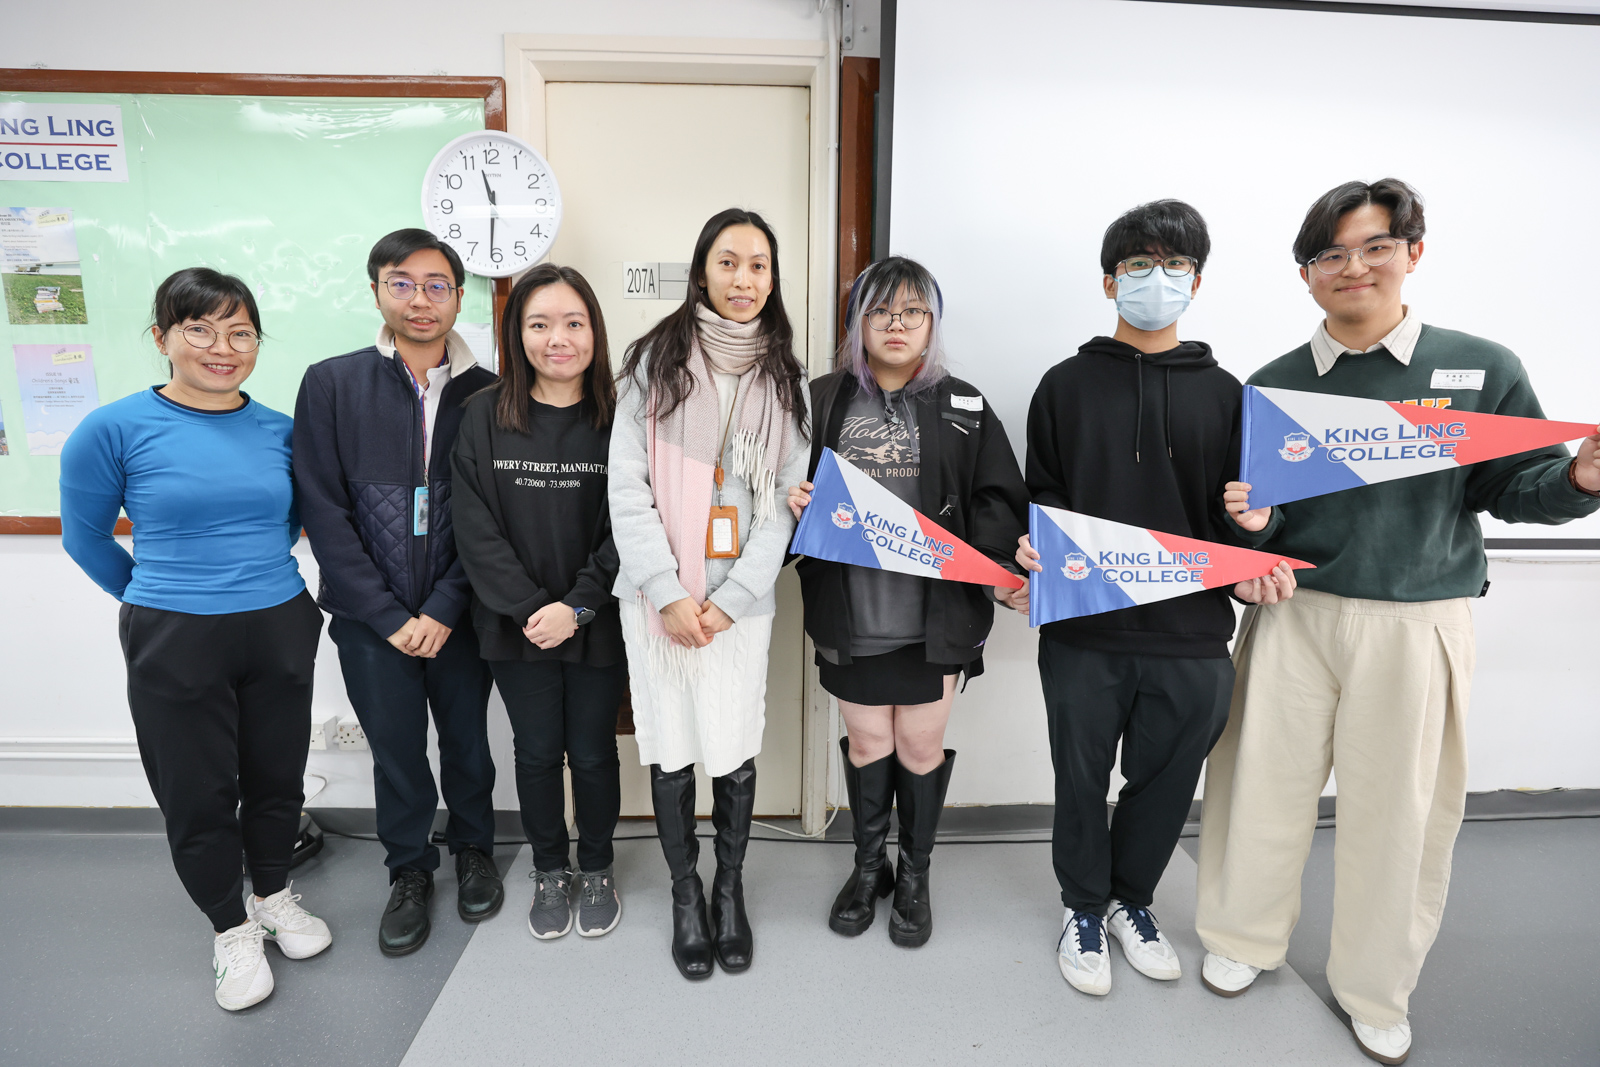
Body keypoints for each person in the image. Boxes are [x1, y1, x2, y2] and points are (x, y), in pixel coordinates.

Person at [1194, 179, 1600, 1065]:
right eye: (1330, 254)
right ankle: (1241, 935)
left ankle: (1376, 985)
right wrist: (1252, 531)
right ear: (1306, 274)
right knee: (1256, 784)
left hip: (1417, 621)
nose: (1354, 267)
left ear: (1413, 252)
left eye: (1375, 246)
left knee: (1401, 812)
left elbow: (1513, 488)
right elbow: (1259, 516)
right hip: (1296, 617)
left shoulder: (1480, 368)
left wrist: (1580, 480)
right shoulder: (1275, 382)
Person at [1004, 201, 1298, 997]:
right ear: (1110, 281)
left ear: (1196, 281)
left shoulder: (1230, 394)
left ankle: (1132, 900)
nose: (1156, 279)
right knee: (1080, 778)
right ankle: (1082, 909)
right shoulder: (1063, 385)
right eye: (1139, 265)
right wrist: (1030, 546)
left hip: (1193, 634)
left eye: (1174, 265)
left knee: (1166, 783)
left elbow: (1241, 517)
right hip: (1084, 630)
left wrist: (1258, 547)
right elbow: (1044, 496)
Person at [60, 268, 331, 1012]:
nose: (223, 347)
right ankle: (230, 927)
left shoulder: (280, 429)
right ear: (162, 337)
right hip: (173, 633)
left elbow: (289, 523)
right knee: (196, 788)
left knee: (277, 774)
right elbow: (85, 538)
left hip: (278, 620)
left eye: (240, 332)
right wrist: (159, 597)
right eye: (200, 329)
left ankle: (272, 894)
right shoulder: (112, 429)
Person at [786, 256, 1028, 948]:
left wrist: (999, 569)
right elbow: (779, 486)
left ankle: (915, 874)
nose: (897, 325)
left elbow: (997, 500)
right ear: (857, 323)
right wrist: (790, 501)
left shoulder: (964, 405)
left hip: (936, 618)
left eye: (913, 311)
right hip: (851, 612)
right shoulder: (819, 399)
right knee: (868, 741)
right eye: (880, 311)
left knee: (920, 744)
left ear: (932, 323)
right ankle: (870, 868)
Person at [610, 207, 810, 980]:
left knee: (731, 746)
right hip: (656, 601)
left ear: (772, 278)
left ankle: (729, 889)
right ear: (702, 271)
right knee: (670, 746)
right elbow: (626, 488)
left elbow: (787, 500)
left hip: (740, 607)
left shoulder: (785, 378)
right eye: (728, 262)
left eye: (758, 264)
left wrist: (731, 598)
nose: (743, 278)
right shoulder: (652, 363)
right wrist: (668, 591)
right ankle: (685, 894)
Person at [294, 229, 502, 958]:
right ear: (377, 290)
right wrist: (386, 616)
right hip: (368, 618)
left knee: (468, 743)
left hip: (461, 615)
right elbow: (324, 510)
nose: (420, 299)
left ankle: (474, 850)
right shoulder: (332, 383)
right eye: (402, 283)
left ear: (459, 296)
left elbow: (493, 517)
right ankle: (410, 870)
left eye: (437, 285)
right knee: (397, 752)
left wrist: (444, 606)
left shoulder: (489, 392)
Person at [452, 264, 626, 941]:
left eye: (574, 322)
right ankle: (551, 869)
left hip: (597, 620)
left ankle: (598, 866)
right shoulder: (483, 416)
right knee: (536, 753)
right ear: (517, 334)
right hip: (514, 625)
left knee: (593, 752)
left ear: (594, 331)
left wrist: (576, 606)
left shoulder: (624, 416)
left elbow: (633, 525)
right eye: (540, 323)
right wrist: (532, 607)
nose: (558, 338)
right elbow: (474, 528)